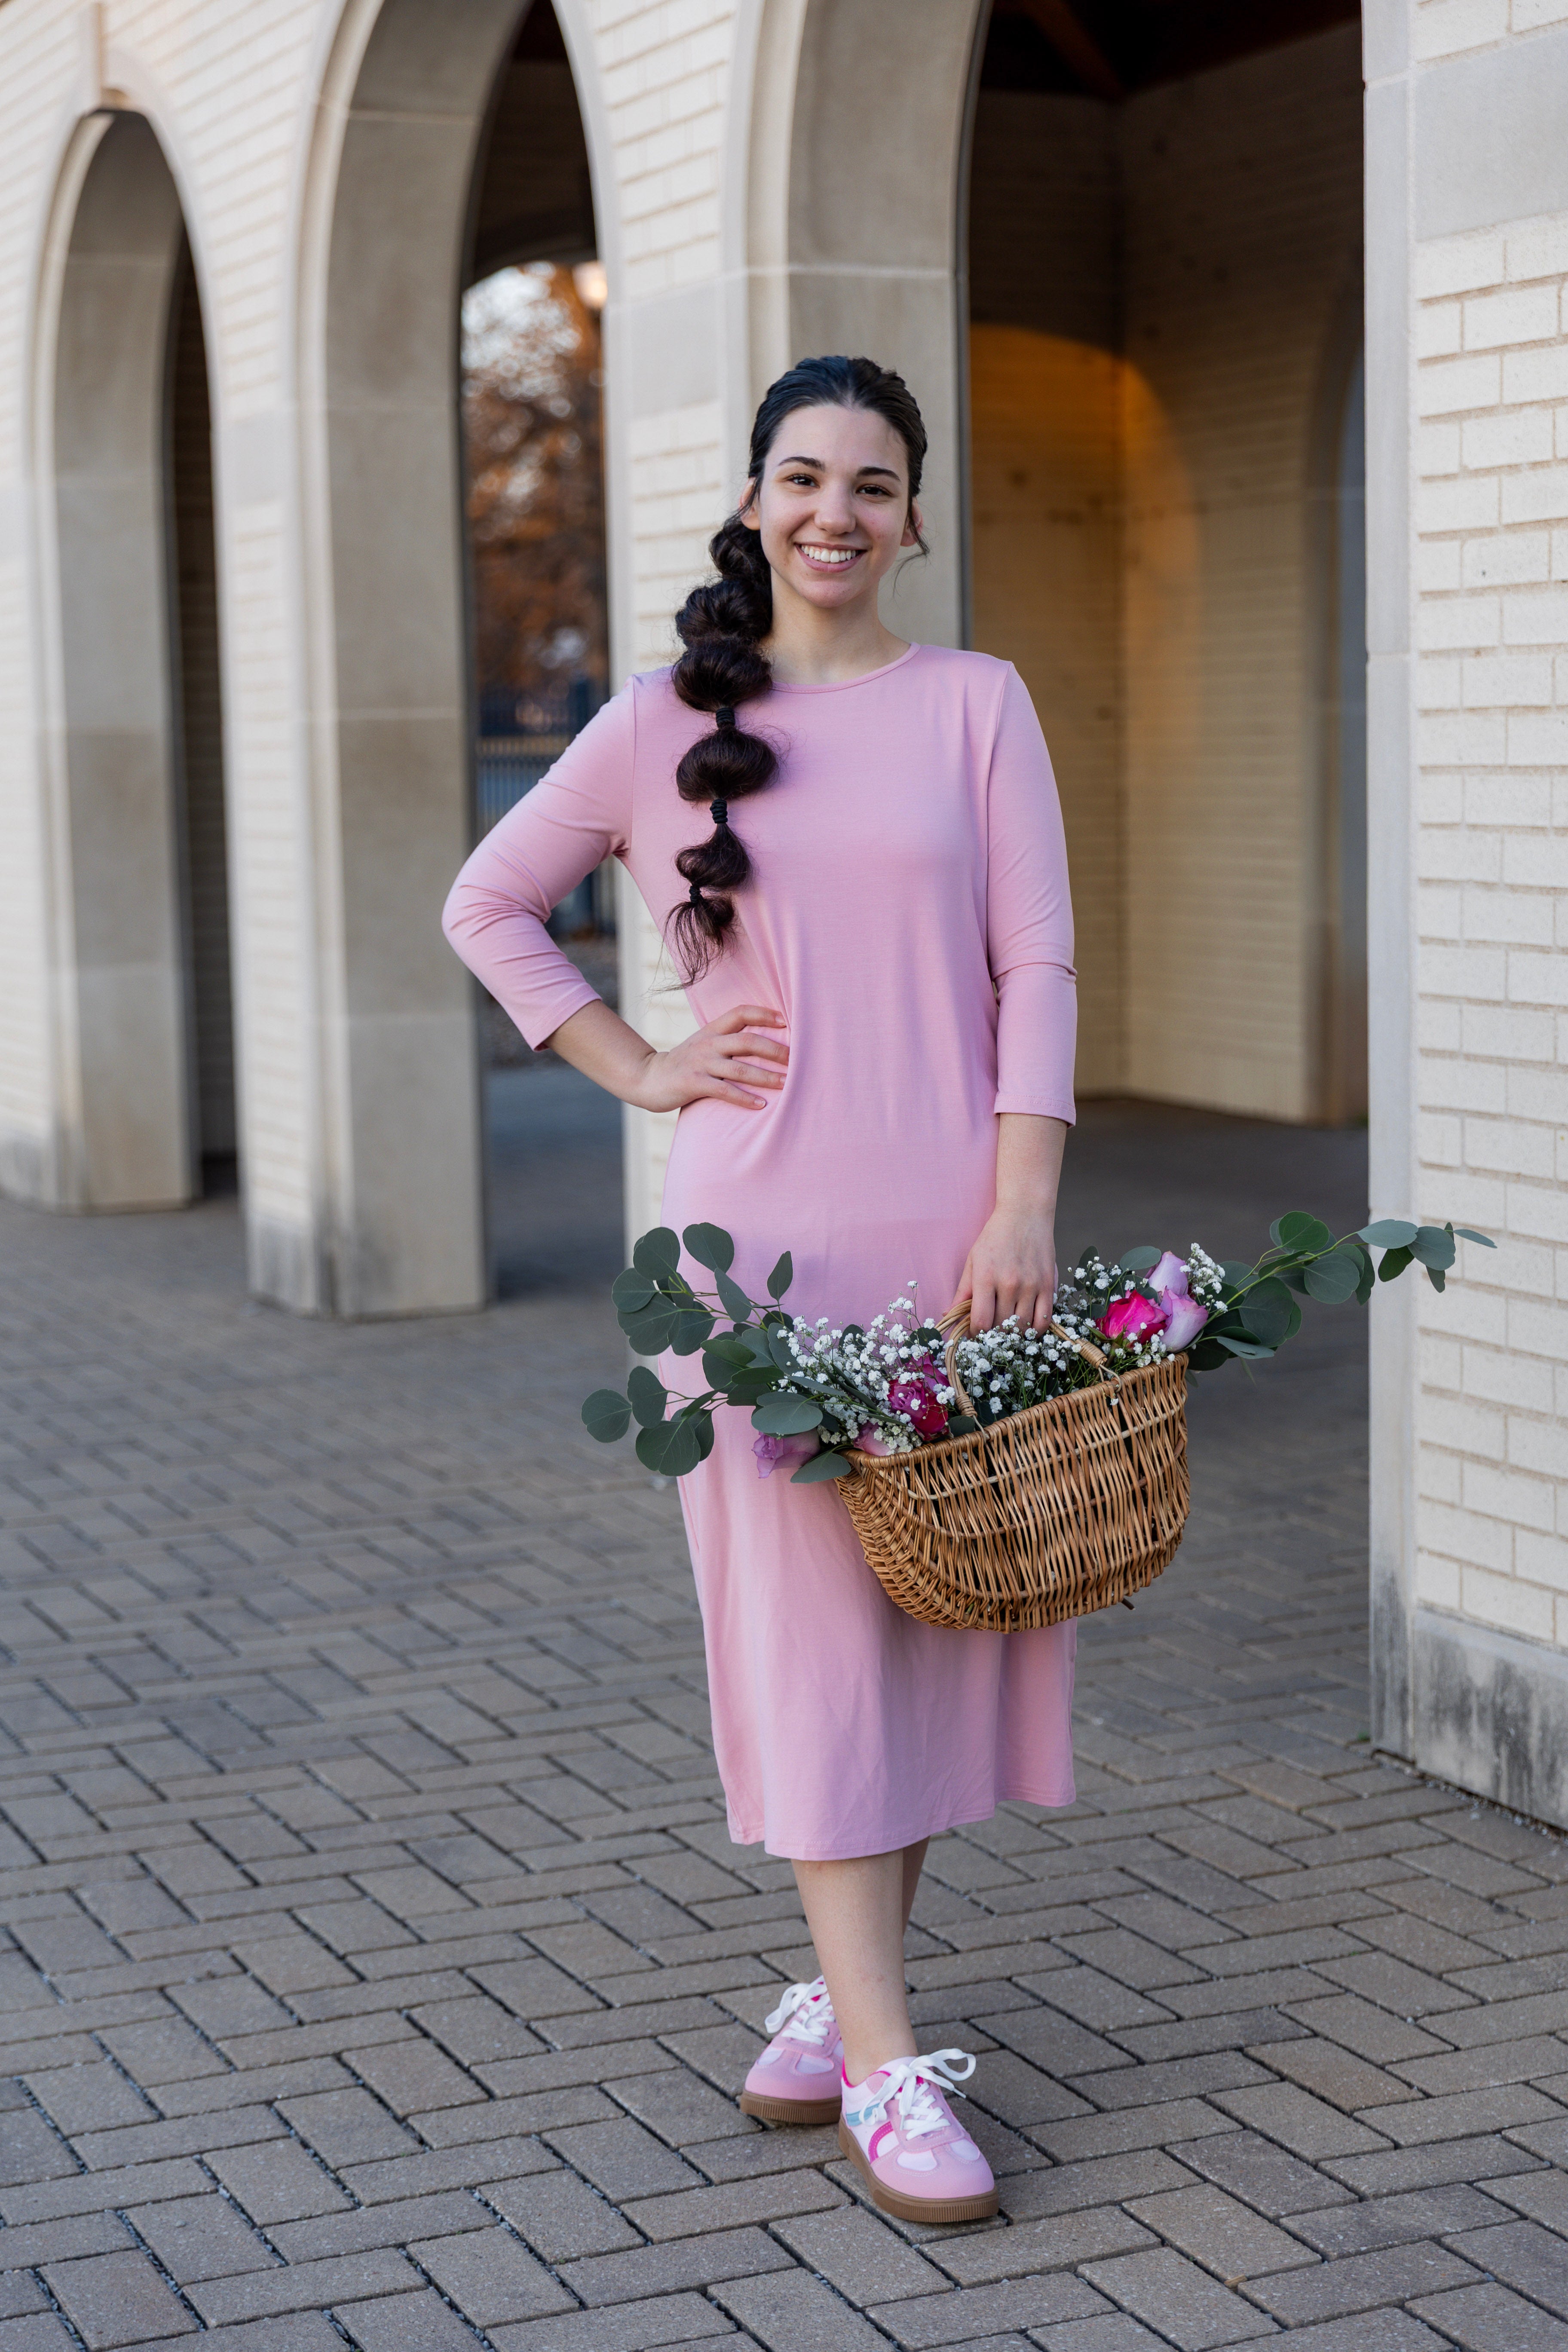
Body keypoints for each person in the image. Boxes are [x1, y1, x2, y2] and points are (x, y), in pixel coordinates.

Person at [443, 355, 1077, 2226]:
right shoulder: (658, 722)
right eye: (803, 477)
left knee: (929, 1619)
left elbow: (1036, 963)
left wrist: (1024, 1202)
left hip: (953, 1248)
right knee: (813, 1644)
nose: (834, 513)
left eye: (872, 483)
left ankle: (833, 2000)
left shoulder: (977, 702)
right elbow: (489, 904)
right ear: (752, 501)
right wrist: (639, 1065)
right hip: (754, 1265)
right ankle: (885, 2068)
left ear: (913, 516)